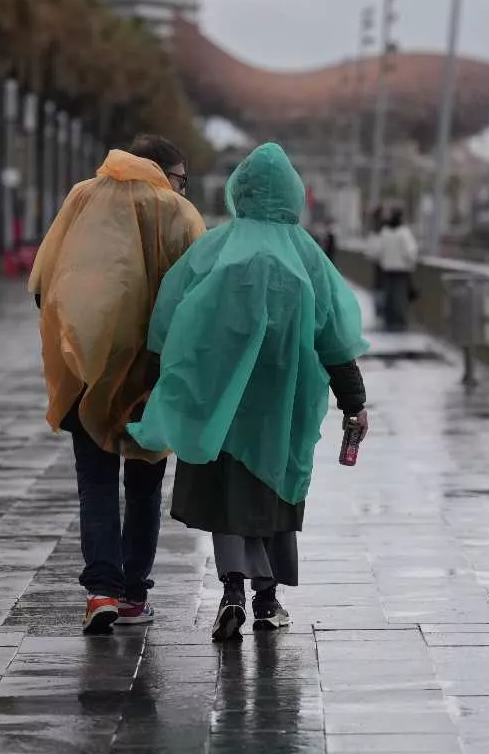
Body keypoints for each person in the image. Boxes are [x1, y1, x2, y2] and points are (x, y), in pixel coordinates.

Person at [125, 143, 370, 640]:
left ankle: (232, 589)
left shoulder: (214, 250)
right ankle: (267, 597)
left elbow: (166, 320)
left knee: (226, 492)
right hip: (281, 405)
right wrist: (354, 402)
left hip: (217, 402)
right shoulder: (308, 257)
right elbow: (336, 339)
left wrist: (152, 384)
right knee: (271, 493)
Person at [27, 133, 206, 634]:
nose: (182, 190)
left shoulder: (82, 197)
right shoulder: (178, 213)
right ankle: (132, 594)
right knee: (145, 483)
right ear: (164, 172)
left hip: (86, 368)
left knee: (97, 483)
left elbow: (43, 280)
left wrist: (73, 341)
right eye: (181, 180)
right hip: (151, 370)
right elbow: (198, 292)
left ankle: (100, 591)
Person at [373, 209, 418, 331]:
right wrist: (410, 263)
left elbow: (377, 251)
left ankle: (389, 319)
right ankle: (400, 321)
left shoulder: (384, 232)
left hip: (387, 269)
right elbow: (410, 252)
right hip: (402, 270)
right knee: (400, 297)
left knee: (388, 295)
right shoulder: (404, 233)